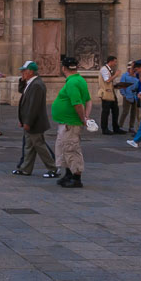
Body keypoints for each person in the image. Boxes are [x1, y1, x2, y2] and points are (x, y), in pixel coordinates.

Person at [50, 56, 91, 187]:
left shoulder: (72, 83)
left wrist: (82, 118)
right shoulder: (79, 80)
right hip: (67, 122)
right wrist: (86, 116)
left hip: (71, 123)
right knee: (64, 148)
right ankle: (68, 174)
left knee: (71, 148)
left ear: (63, 68)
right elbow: (88, 100)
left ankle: (76, 177)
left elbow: (78, 103)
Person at [11, 62, 57, 177]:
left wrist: (28, 122)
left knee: (39, 145)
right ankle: (26, 168)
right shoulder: (30, 83)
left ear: (30, 71)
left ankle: (53, 168)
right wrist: (22, 80)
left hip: (35, 122)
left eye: (24, 71)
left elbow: (34, 106)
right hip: (30, 121)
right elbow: (22, 92)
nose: (22, 73)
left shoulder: (36, 85)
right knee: (29, 145)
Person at [117, 60, 141, 134]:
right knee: (125, 111)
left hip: (135, 96)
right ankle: (120, 125)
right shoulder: (125, 75)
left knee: (133, 112)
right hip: (127, 96)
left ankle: (131, 127)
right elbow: (121, 86)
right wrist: (124, 94)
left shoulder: (136, 76)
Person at [97, 56, 120, 135]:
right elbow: (107, 80)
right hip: (106, 93)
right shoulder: (104, 69)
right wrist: (116, 75)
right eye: (115, 62)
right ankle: (104, 128)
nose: (115, 63)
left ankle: (116, 127)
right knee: (106, 111)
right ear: (111, 61)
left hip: (111, 92)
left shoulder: (109, 70)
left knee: (115, 110)